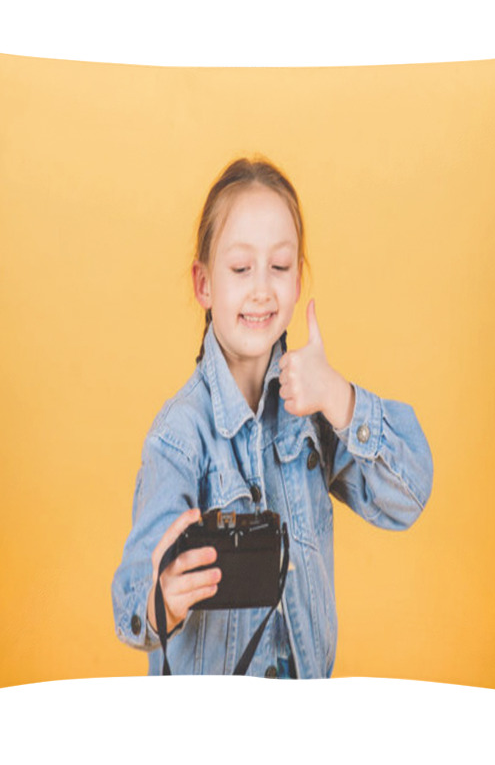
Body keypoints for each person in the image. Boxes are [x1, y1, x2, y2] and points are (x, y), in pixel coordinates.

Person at [111, 156, 433, 679]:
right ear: (204, 285)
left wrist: (341, 398)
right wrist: (161, 599)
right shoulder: (179, 437)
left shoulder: (312, 407)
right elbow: (130, 601)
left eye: (279, 267)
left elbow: (409, 496)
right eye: (240, 269)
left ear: (298, 277)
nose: (262, 288)